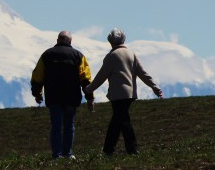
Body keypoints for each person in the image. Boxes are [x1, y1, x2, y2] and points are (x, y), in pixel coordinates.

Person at [85, 28, 163, 155]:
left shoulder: (112, 56)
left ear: (110, 41)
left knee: (122, 121)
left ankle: (130, 149)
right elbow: (142, 73)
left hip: (118, 94)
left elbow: (101, 76)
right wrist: (154, 86)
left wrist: (89, 89)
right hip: (130, 93)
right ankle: (110, 149)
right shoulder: (131, 53)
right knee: (118, 120)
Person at [31, 30, 94, 159]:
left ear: (57, 40)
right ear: (70, 41)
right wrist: (89, 97)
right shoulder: (78, 55)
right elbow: (85, 79)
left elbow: (38, 77)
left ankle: (56, 155)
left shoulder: (47, 55)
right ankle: (67, 154)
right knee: (69, 125)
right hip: (71, 97)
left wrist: (37, 94)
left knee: (56, 126)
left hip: (54, 97)